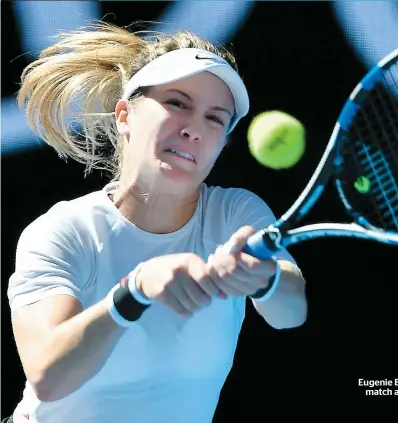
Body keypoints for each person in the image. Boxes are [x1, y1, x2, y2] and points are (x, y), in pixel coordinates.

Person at [6, 21, 307, 423]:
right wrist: (135, 290)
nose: (193, 129)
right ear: (125, 115)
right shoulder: (63, 231)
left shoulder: (236, 214)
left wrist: (263, 277)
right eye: (178, 103)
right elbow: (48, 377)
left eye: (215, 119)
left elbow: (291, 313)